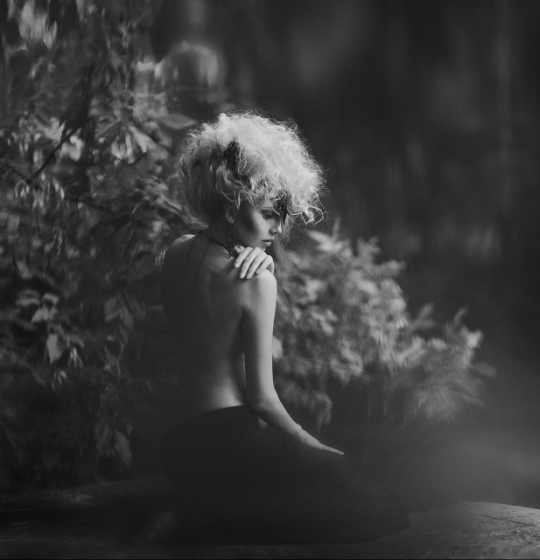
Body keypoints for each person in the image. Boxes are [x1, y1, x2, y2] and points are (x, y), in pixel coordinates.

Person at [158, 112, 409, 543]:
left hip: (177, 449)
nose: (276, 229)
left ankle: (205, 511)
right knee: (377, 502)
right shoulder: (256, 281)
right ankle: (201, 519)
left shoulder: (176, 252)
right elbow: (261, 398)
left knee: (325, 485)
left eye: (282, 216)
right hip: (229, 443)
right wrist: (310, 444)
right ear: (233, 201)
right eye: (268, 214)